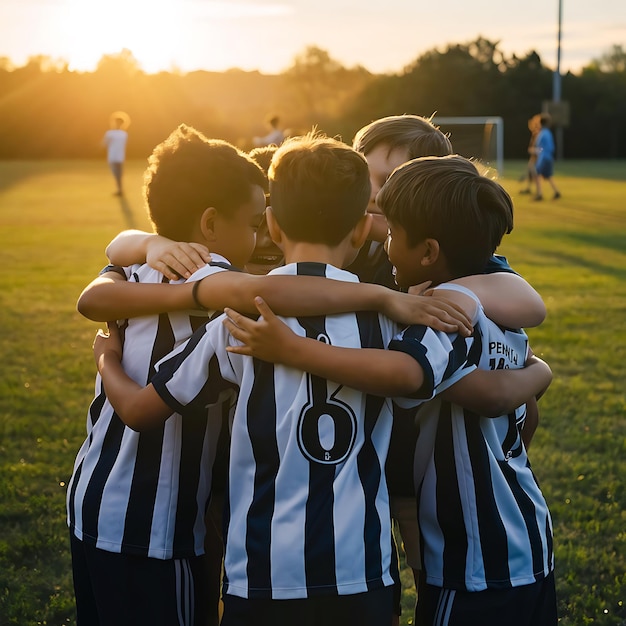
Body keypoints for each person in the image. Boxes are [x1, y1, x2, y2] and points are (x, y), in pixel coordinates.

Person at [93, 135, 551, 626]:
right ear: (361, 232)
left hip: (261, 575)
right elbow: (478, 387)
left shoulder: (237, 323)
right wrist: (538, 372)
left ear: (271, 224)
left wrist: (107, 355)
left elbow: (141, 410)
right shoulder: (400, 323)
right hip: (362, 573)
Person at [222, 154, 557, 626]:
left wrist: (294, 349)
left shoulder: (444, 315)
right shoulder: (499, 306)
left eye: (394, 233)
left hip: (475, 556)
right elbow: (507, 397)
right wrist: (540, 373)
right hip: (527, 535)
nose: (385, 239)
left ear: (428, 253)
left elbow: (408, 374)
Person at [67, 123, 268, 626]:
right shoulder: (228, 298)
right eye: (253, 223)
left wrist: (146, 242)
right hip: (156, 529)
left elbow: (101, 279)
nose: (261, 237)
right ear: (209, 224)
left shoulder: (132, 272)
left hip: (90, 503)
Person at [532, 113, 561, 201]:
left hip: (543, 157)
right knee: (547, 175)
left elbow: (539, 147)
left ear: (540, 123)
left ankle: (539, 194)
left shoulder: (541, 134)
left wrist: (535, 151)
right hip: (549, 157)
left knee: (537, 174)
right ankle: (556, 192)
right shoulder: (548, 133)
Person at [102, 111, 130, 196]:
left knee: (116, 173)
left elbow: (104, 143)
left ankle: (120, 190)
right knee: (119, 174)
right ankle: (120, 189)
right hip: (120, 157)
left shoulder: (110, 133)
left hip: (113, 156)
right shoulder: (124, 134)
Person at [519, 114, 541, 196]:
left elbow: (538, 147)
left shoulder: (538, 134)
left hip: (536, 156)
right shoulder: (535, 133)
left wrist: (533, 151)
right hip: (534, 156)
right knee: (530, 172)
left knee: (535, 174)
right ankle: (529, 188)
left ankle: (539, 192)